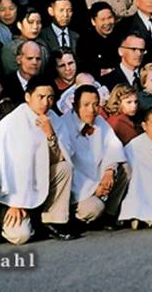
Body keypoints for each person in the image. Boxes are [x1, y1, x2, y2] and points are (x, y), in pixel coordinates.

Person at [0, 78, 79, 244]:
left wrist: (50, 134)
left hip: (40, 178)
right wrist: (15, 202)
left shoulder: (53, 118)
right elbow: (7, 166)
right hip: (13, 192)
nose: (46, 102)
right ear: (28, 97)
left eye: (50, 98)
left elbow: (62, 157)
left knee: (64, 167)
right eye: (40, 97)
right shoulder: (13, 122)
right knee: (20, 236)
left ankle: (53, 220)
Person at [54, 84, 130, 229]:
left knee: (125, 168)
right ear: (75, 106)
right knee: (94, 208)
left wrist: (109, 171)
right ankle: (76, 216)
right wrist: (95, 189)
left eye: (95, 105)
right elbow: (69, 166)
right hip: (80, 188)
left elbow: (113, 147)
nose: (92, 110)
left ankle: (110, 214)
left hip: (99, 176)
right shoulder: (63, 125)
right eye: (86, 105)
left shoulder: (99, 121)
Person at [77, 2, 119, 80]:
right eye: (103, 19)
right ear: (93, 21)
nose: (107, 22)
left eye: (110, 17)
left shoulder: (120, 36)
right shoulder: (85, 41)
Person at [0, 7, 46, 76]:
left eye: (38, 22)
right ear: (19, 25)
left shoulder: (43, 44)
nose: (35, 26)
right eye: (30, 22)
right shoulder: (10, 48)